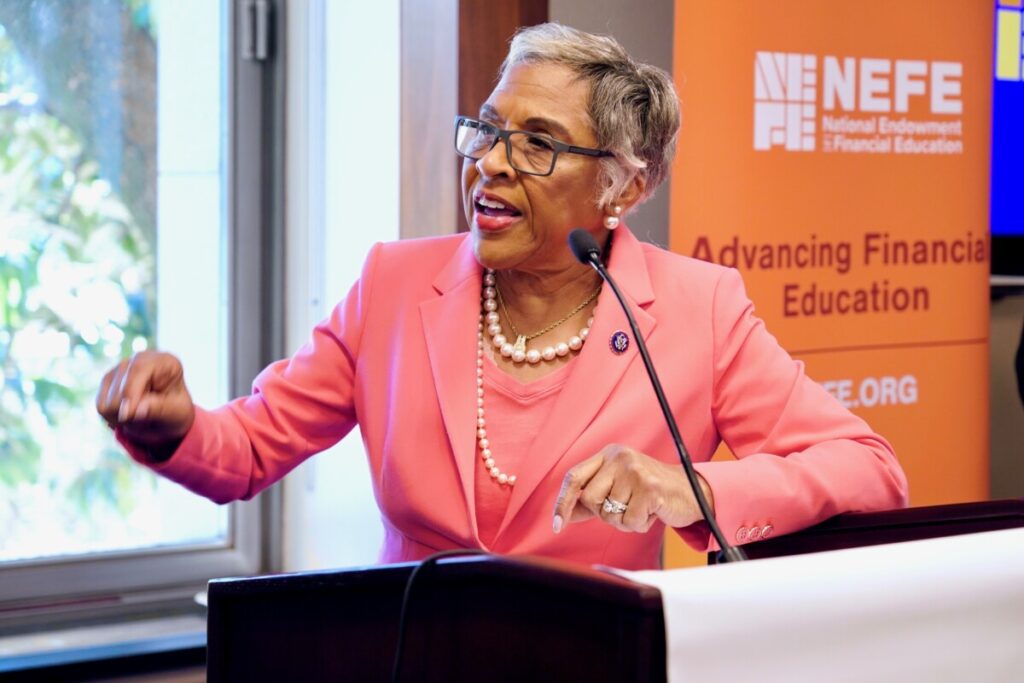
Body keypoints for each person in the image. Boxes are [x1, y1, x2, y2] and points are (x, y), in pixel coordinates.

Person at [96, 23, 907, 570]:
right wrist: (175, 427)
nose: (489, 161)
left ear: (625, 186)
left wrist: (689, 489)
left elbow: (870, 471)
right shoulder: (392, 286)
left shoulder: (700, 309)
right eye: (487, 130)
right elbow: (247, 447)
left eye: (538, 144)